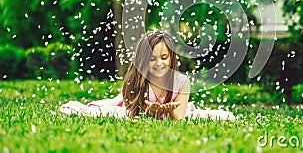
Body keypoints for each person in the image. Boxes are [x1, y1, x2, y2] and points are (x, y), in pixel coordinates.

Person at [60, 30, 235, 121]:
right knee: (112, 112)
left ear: (172, 58)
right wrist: (148, 112)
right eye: (152, 59)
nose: (159, 63)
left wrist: (167, 112)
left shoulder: (181, 82)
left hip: (176, 114)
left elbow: (179, 119)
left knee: (223, 116)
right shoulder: (137, 79)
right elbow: (132, 110)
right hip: (131, 111)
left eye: (164, 57)